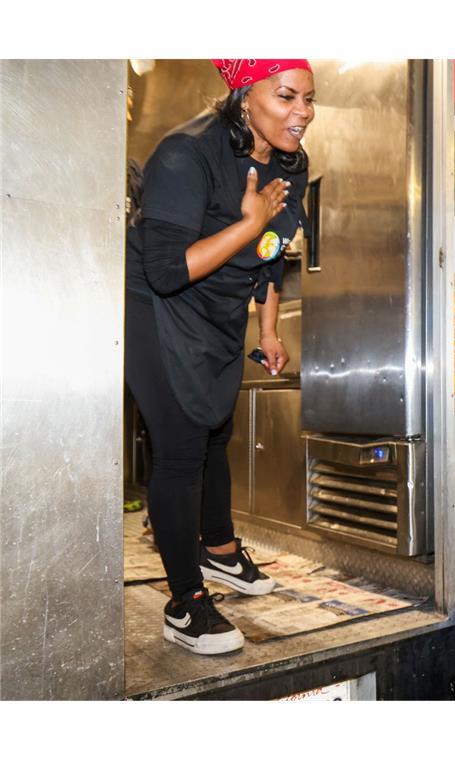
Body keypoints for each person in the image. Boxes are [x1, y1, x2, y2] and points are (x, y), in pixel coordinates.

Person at [125, 59, 315, 655]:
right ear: (243, 95)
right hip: (156, 304)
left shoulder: (291, 163)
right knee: (181, 444)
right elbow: (165, 268)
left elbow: (270, 248)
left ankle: (220, 550)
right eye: (286, 96)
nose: (302, 113)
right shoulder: (186, 154)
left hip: (220, 307)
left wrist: (268, 329)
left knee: (216, 428)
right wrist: (247, 221)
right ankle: (185, 601)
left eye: (309, 98)